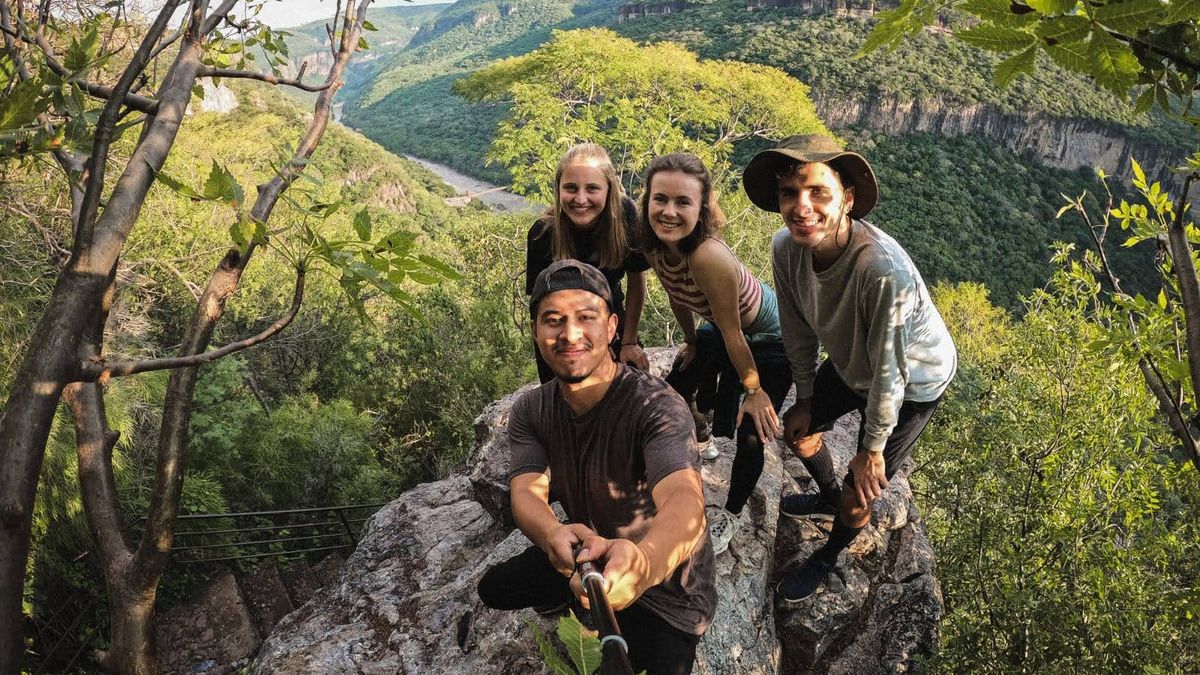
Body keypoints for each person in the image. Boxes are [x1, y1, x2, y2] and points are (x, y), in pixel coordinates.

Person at [741, 134, 957, 602]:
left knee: (862, 489)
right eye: (789, 193)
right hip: (852, 361)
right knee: (799, 431)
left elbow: (890, 371)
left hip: (915, 378)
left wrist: (873, 448)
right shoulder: (786, 248)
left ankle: (828, 555)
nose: (802, 207)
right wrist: (807, 396)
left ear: (848, 199)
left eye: (818, 191)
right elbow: (797, 329)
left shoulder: (880, 271)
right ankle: (826, 496)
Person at [477, 260, 716, 675]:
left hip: (667, 589)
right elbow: (525, 493)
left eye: (585, 318)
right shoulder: (532, 410)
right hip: (588, 557)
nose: (569, 334)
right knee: (493, 588)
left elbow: (684, 501)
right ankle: (568, 594)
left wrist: (641, 567)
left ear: (611, 327)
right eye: (553, 321)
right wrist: (553, 534)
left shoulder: (655, 407)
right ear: (535, 332)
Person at [638, 152, 792, 556]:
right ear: (647, 200)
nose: (669, 212)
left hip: (772, 341)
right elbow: (677, 296)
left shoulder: (707, 256)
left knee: (753, 431)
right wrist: (690, 341)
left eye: (683, 202)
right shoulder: (653, 246)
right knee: (667, 396)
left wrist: (754, 391)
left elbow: (732, 332)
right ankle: (688, 447)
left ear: (701, 208)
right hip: (725, 332)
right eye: (660, 199)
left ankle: (733, 513)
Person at [526, 143, 650, 383]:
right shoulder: (543, 233)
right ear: (558, 189)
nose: (580, 199)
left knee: (630, 383)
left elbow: (637, 281)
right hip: (561, 326)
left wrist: (628, 341)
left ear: (608, 189)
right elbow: (540, 309)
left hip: (611, 316)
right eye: (571, 188)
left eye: (592, 188)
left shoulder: (625, 215)